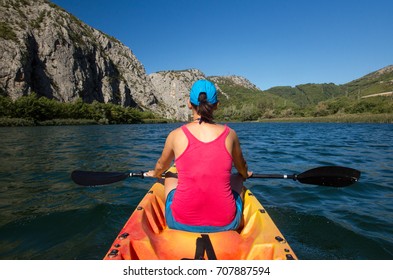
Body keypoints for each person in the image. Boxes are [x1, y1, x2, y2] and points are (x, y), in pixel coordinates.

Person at [146, 79, 251, 233]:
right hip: (226, 223)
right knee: (237, 178)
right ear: (216, 105)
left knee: (169, 174)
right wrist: (244, 174)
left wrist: (156, 174)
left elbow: (161, 165)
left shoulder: (175, 135)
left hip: (179, 221)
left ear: (189, 103)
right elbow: (242, 167)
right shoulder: (231, 134)